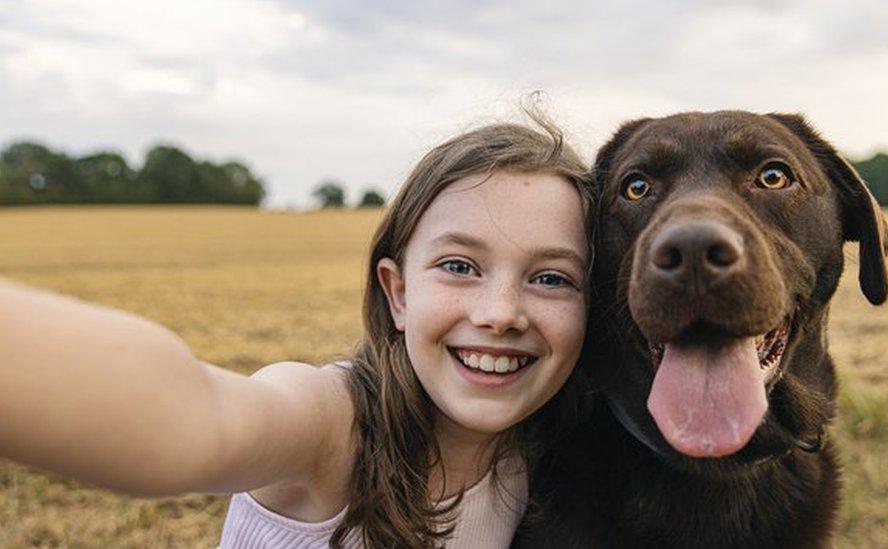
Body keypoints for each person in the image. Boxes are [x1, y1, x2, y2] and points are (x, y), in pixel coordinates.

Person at [0, 114, 598, 548]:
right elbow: (194, 418)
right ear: (398, 292)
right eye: (460, 267)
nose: (501, 313)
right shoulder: (330, 426)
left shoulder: (543, 447)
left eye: (551, 279)